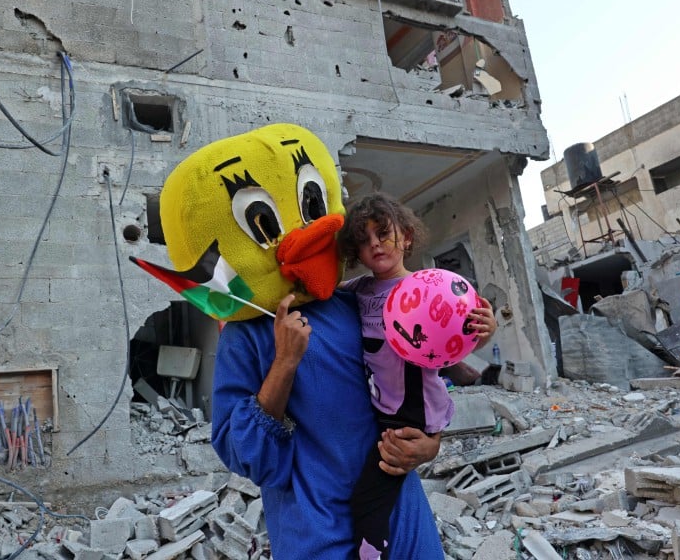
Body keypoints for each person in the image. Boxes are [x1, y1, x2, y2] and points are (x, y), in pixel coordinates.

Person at [153, 123, 448, 558]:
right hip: (316, 529)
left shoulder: (357, 303)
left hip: (400, 512)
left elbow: (419, 378)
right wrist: (285, 363)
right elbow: (242, 454)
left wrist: (430, 444)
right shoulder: (246, 335)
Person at [337, 192, 497, 560]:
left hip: (411, 416)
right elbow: (323, 295)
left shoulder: (431, 286)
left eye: (383, 233)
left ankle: (372, 553)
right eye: (363, 240)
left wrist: (487, 328)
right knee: (373, 494)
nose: (375, 244)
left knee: (369, 499)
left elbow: (469, 328)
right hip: (383, 409)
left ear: (406, 236)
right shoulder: (359, 291)